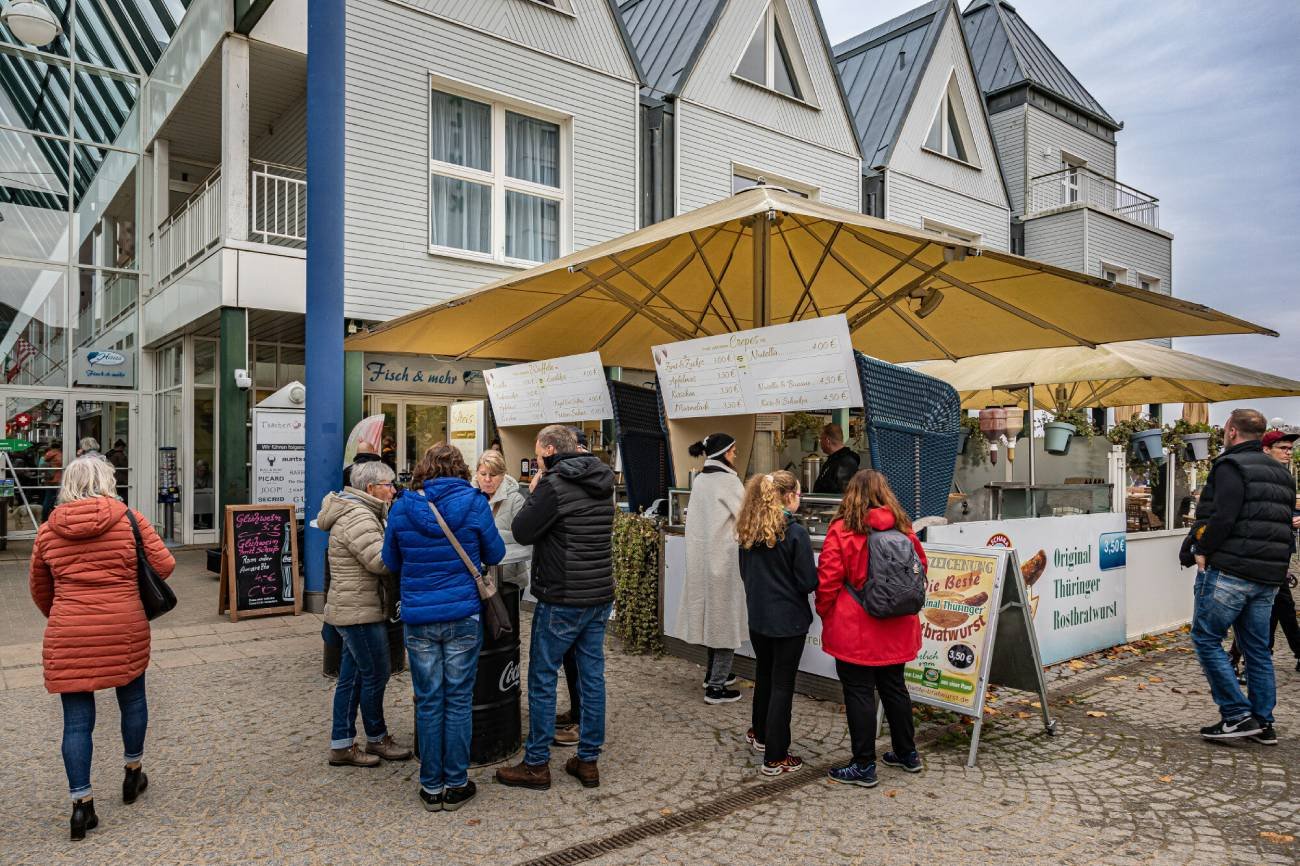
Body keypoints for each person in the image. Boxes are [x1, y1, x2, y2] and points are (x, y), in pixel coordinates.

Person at [28, 455, 176, 840]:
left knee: (76, 722)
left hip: (68, 631)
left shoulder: (47, 531)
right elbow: (166, 565)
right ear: (107, 481)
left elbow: (40, 591)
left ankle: (81, 806)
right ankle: (132, 774)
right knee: (132, 699)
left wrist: (64, 615)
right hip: (124, 625)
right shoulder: (128, 519)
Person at [383, 443, 505, 812]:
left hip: (420, 618)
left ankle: (429, 786)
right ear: (461, 469)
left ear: (423, 469)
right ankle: (456, 782)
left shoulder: (403, 506)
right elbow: (495, 554)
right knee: (458, 701)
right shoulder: (474, 502)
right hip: (463, 616)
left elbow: (390, 560)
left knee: (429, 700)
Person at [496, 424, 615, 792]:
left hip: (562, 595)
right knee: (592, 677)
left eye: (536, 450)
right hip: (597, 594)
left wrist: (534, 494)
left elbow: (523, 531)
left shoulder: (552, 484)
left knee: (544, 676)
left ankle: (536, 764)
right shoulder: (602, 479)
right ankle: (588, 760)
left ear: (548, 450)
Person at [1183, 409, 1295, 745]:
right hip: (1267, 576)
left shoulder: (1230, 466)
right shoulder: (1282, 474)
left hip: (1231, 571)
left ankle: (1236, 714)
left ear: (1231, 431)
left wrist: (1201, 548)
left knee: (1206, 638)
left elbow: (1223, 516)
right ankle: (1263, 721)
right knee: (1257, 649)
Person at [816, 469, 926, 788]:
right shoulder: (903, 528)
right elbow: (921, 569)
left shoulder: (842, 530)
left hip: (856, 629)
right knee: (895, 687)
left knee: (859, 692)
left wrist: (827, 614)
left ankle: (864, 764)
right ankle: (907, 753)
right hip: (898, 626)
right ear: (885, 493)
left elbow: (828, 580)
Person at [320, 460, 411, 769]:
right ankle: (377, 736)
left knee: (352, 676)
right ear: (371, 488)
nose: (394, 489)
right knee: (375, 672)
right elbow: (380, 561)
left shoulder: (357, 510)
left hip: (353, 607)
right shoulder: (359, 515)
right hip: (359, 611)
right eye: (389, 484)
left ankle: (342, 744)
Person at [737, 470, 817, 775]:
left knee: (765, 675)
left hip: (758, 616)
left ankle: (759, 732)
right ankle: (776, 755)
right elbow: (808, 581)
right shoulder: (794, 533)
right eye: (797, 493)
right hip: (788, 620)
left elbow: (745, 574)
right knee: (783, 683)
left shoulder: (749, 528)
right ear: (788, 496)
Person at [677, 432, 746, 704]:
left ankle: (713, 674)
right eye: (734, 451)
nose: (736, 456)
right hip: (724, 560)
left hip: (702, 560)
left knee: (712, 619)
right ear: (724, 454)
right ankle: (716, 687)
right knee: (724, 623)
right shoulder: (729, 481)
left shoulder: (702, 480)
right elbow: (746, 518)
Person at [1226, 428, 1300, 680]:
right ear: (1266, 449)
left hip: (1277, 554)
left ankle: (1241, 658)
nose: (1288, 453)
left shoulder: (1285, 478)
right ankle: (1242, 659)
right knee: (1271, 609)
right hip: (1255, 556)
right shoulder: (1252, 475)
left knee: (1279, 607)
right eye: (1283, 448)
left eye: (1290, 449)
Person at [473, 450, 528, 586]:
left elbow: (524, 538)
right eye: (483, 474)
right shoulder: (469, 499)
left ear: (503, 475)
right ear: (476, 474)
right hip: (477, 578)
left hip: (509, 578)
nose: (487, 479)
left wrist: (485, 537)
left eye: (493, 475)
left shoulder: (516, 500)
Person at [813, 423, 860, 495]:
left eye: (821, 439)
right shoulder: (834, 460)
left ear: (827, 440)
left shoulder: (846, 463)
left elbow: (843, 494)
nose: (820, 443)